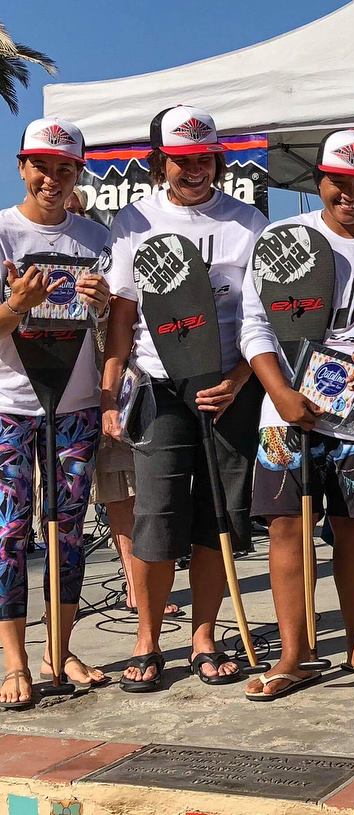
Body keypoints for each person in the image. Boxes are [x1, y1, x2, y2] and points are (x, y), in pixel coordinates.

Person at [240, 130, 354, 699]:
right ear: (320, 180)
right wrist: (283, 395)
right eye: (339, 182)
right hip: (285, 414)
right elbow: (256, 326)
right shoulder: (281, 238)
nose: (350, 195)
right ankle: (295, 652)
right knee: (286, 528)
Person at [101, 105, 269, 692]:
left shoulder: (248, 221)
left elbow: (262, 314)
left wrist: (243, 378)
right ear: (160, 163)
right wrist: (109, 390)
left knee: (215, 518)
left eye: (203, 160)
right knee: (156, 514)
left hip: (227, 386)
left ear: (217, 160)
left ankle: (204, 634)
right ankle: (147, 639)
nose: (193, 171)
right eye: (181, 161)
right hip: (157, 385)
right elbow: (123, 316)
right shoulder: (133, 222)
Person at [0, 117, 112, 708]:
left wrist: (101, 305)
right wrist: (14, 305)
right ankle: (16, 658)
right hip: (11, 408)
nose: (52, 177)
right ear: (22, 166)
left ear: (79, 172)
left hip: (76, 405)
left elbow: (118, 326)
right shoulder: (1, 233)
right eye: (42, 166)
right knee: (10, 531)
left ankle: (60, 648)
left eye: (65, 167)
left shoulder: (96, 239)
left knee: (67, 531)